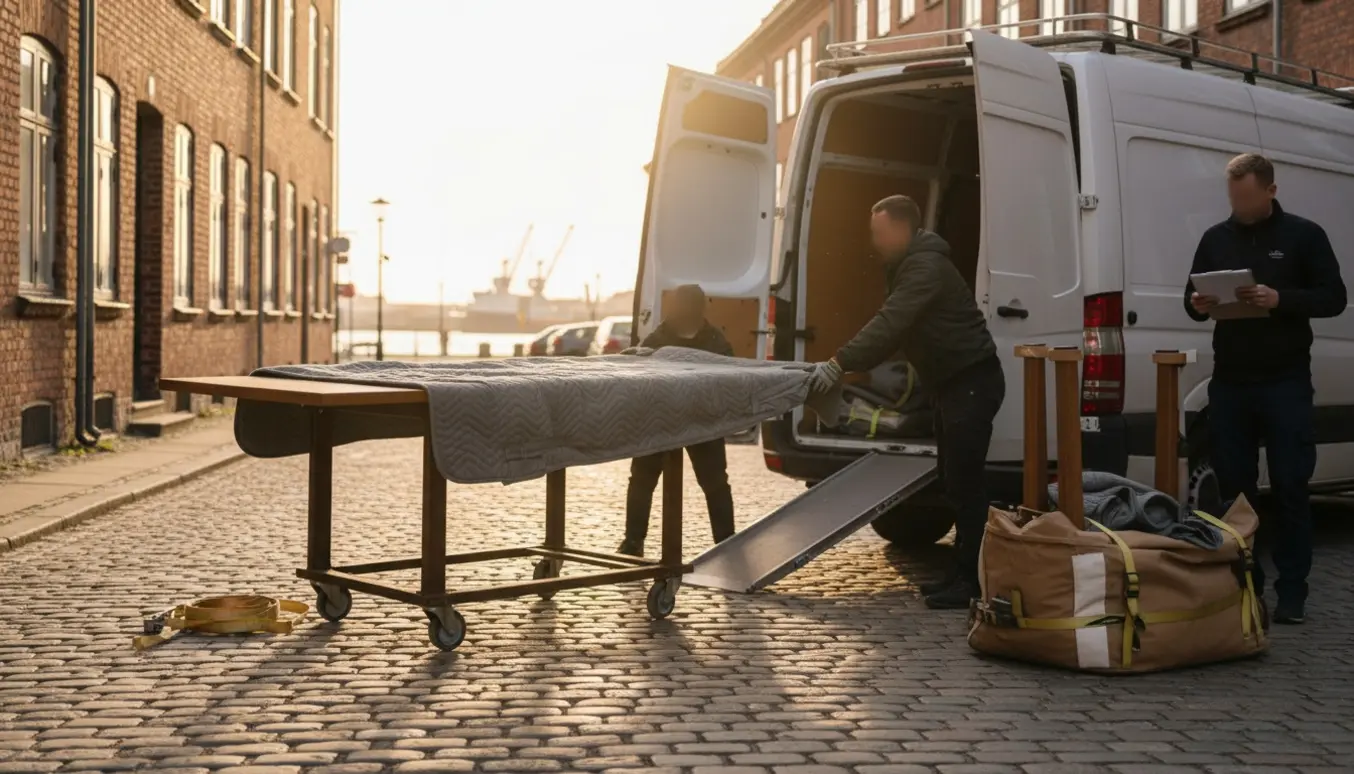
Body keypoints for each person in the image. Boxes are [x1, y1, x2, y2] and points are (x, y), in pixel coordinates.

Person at [807, 195, 1005, 610]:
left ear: (902, 229)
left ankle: (973, 580)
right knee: (952, 481)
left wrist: (841, 363)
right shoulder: (910, 264)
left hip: (971, 382)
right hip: (950, 385)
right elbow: (896, 330)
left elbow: (891, 322)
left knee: (967, 486)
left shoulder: (925, 267)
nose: (874, 240)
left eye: (879, 232)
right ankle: (961, 574)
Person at [1184, 153, 1346, 626]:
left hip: (1285, 382)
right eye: (1234, 198)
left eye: (1248, 198)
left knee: (1292, 485)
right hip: (1231, 382)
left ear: (1271, 192)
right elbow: (1191, 301)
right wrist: (1197, 302)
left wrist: (1280, 300)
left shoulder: (1304, 235)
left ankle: (1292, 590)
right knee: (1234, 489)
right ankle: (1242, 585)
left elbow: (1333, 297)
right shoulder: (1216, 238)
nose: (1240, 206)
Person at [618, 284, 737, 556]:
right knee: (642, 480)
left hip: (703, 420)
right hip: (659, 419)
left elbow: (729, 379)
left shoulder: (715, 341)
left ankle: (727, 541)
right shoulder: (657, 340)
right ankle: (633, 542)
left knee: (715, 482)